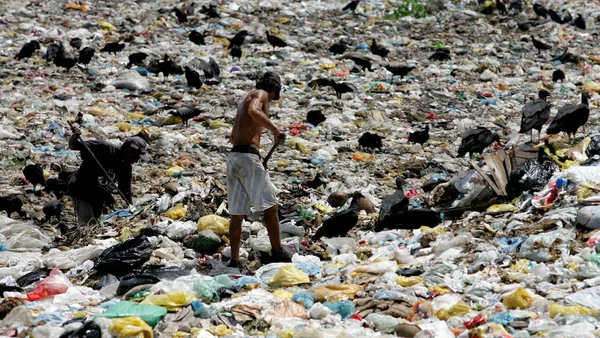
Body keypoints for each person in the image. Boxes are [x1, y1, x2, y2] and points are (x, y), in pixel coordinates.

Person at [227, 71, 293, 267]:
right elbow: (254, 111)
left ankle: (234, 260)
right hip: (247, 158)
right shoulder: (260, 94)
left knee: (237, 214)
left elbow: (233, 137)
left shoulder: (245, 100)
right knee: (270, 207)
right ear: (276, 88)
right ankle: (278, 251)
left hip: (234, 157)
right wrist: (276, 130)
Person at [66, 123, 149, 241]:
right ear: (127, 151)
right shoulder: (104, 148)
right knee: (87, 226)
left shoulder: (126, 167)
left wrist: (131, 207)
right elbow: (74, 146)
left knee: (94, 225)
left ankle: (81, 239)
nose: (136, 161)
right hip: (81, 189)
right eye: (135, 157)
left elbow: (125, 189)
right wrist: (74, 136)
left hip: (98, 196)